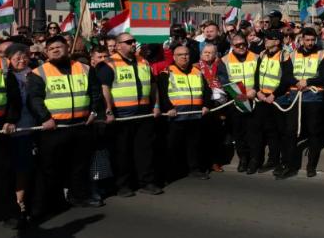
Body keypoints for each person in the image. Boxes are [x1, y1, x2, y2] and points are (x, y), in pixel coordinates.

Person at [27, 36, 104, 217]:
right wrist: (45, 118)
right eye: (51, 48)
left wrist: (94, 112)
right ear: (46, 52)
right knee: (50, 167)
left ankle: (78, 196)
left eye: (58, 47)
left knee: (79, 165)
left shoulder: (85, 68)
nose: (55, 50)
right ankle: (51, 203)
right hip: (54, 128)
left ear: (67, 48)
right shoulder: (38, 72)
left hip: (81, 125)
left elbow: (95, 92)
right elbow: (35, 99)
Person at [97, 33, 162, 197]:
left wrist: (156, 105)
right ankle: (122, 185)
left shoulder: (143, 62)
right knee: (122, 152)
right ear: (118, 45)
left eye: (133, 41)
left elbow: (153, 85)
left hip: (143, 114)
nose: (133, 44)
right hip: (122, 115)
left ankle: (146, 182)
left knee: (144, 150)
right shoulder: (109, 64)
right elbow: (104, 89)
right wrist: (108, 110)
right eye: (128, 42)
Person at [157, 44, 212, 181]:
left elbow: (207, 91)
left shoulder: (197, 72)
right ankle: (171, 171)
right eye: (180, 55)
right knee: (172, 145)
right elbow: (162, 94)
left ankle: (194, 169)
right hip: (176, 117)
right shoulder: (167, 73)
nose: (184, 57)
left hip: (195, 116)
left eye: (186, 54)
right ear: (174, 57)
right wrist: (168, 108)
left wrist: (206, 105)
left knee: (194, 145)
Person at [287, 27, 324, 177]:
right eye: (307, 40)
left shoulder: (322, 54)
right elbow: (287, 75)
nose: (310, 43)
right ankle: (291, 165)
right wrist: (297, 82)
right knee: (292, 131)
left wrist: (307, 81)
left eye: (313, 40)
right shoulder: (292, 54)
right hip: (296, 97)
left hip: (314, 98)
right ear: (301, 40)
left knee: (314, 132)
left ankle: (311, 166)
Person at [253, 30, 296, 179]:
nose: (265, 40)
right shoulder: (262, 54)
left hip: (278, 99)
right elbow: (257, 74)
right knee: (269, 131)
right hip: (263, 98)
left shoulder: (284, 56)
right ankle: (272, 159)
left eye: (269, 38)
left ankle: (285, 163)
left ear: (277, 41)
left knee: (282, 132)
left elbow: (287, 78)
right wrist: (257, 90)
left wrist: (274, 94)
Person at [0, 49, 22, 228]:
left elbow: (14, 97)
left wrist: (11, 119)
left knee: (2, 174)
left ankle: (9, 214)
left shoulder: (1, 64)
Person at [6, 44, 36, 226]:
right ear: (9, 59)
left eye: (24, 57)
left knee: (22, 168)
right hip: (7, 128)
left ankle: (20, 202)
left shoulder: (35, 74)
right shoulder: (4, 75)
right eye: (17, 57)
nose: (21, 60)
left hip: (29, 128)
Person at [221, 34, 258, 173]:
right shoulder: (224, 60)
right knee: (238, 132)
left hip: (254, 99)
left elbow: (260, 76)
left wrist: (254, 90)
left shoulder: (256, 57)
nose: (241, 47)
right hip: (236, 101)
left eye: (243, 44)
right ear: (232, 46)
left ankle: (254, 160)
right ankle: (243, 159)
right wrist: (238, 94)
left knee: (253, 132)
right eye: (237, 45)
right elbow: (224, 81)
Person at [198, 43, 230, 173]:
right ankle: (202, 163)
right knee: (202, 135)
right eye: (205, 52)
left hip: (218, 104)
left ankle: (215, 162)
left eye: (210, 52)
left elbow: (227, 83)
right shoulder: (195, 67)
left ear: (215, 54)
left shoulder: (221, 65)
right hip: (202, 104)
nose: (207, 54)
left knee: (216, 135)